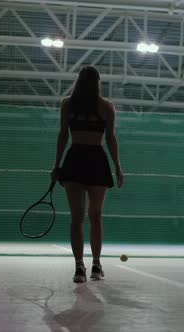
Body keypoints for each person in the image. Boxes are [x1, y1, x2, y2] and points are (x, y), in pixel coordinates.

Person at [51, 65, 124, 283]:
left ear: (78, 81)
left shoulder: (69, 104)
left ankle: (81, 268)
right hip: (95, 161)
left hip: (75, 160)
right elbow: (110, 138)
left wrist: (57, 165)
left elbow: (63, 135)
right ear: (98, 83)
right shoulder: (106, 106)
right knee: (94, 216)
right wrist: (117, 167)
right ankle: (94, 265)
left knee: (78, 218)